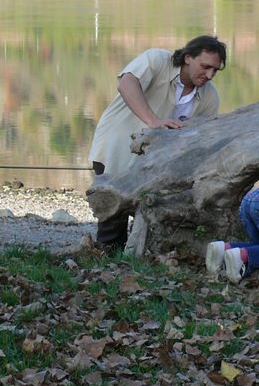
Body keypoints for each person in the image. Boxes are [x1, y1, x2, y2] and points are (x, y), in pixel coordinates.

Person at [89, 34, 227, 253]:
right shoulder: (156, 60)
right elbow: (126, 84)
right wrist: (152, 120)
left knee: (152, 218)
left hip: (158, 167)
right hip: (115, 150)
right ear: (188, 57)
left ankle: (137, 267)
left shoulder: (210, 97)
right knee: (112, 221)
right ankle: (107, 267)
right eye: (205, 66)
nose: (209, 75)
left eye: (215, 70)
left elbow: (200, 141)